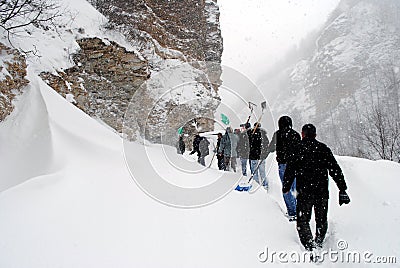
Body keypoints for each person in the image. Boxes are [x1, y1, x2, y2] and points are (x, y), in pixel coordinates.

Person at [283, 124, 350, 251]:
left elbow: (290, 170)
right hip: (321, 191)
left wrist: (286, 186)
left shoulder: (297, 149)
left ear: (302, 134)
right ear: (315, 135)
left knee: (303, 220)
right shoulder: (323, 149)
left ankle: (309, 245)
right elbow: (335, 169)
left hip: (304, 192)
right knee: (321, 219)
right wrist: (342, 188)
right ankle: (319, 241)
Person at [267, 116, 300, 220]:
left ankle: (292, 211)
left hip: (283, 164)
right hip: (294, 164)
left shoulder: (278, 134)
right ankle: (297, 210)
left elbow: (271, 148)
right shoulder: (295, 134)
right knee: (294, 187)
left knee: (286, 188)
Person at [248, 123, 269, 188]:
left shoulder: (253, 134)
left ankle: (259, 184)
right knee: (261, 171)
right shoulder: (261, 134)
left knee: (255, 172)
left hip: (254, 155)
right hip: (259, 156)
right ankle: (263, 184)